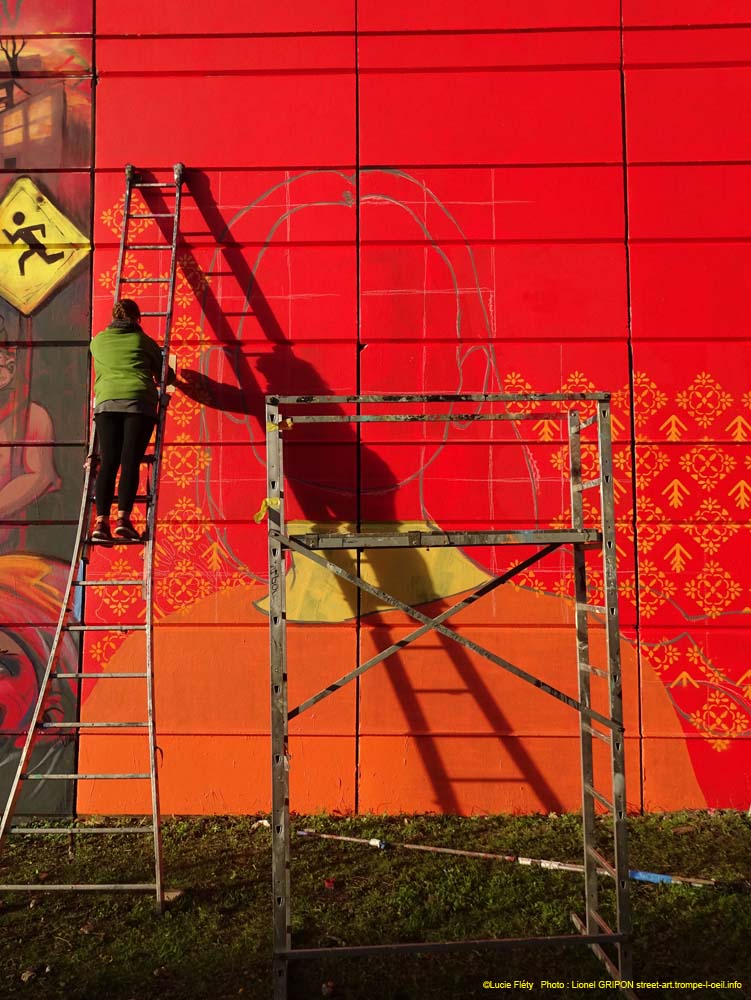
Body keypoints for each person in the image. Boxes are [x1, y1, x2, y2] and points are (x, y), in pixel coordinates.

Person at [89, 298, 172, 543]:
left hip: (107, 404)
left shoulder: (98, 342)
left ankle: (101, 522)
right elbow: (164, 374)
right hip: (138, 403)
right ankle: (123, 519)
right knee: (130, 461)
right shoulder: (143, 342)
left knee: (108, 463)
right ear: (137, 319)